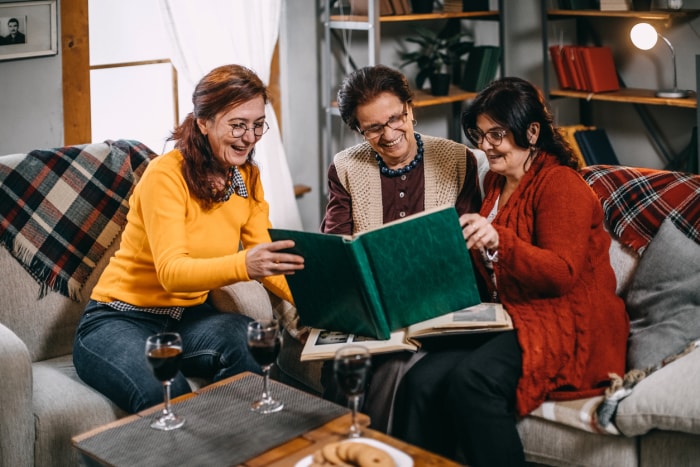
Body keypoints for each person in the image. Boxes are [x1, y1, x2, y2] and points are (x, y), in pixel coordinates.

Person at [390, 77, 630, 466]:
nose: (485, 145)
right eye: (480, 134)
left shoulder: (560, 185)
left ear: (531, 132)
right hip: (511, 313)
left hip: (570, 316)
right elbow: (489, 267)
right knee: (420, 380)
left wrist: (499, 241)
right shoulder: (494, 181)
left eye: (496, 134)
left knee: (473, 381)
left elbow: (562, 274)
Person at [73, 64, 304, 414]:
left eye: (258, 124)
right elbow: (172, 271)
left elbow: (268, 260)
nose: (250, 137)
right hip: (118, 320)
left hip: (188, 319)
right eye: (238, 125)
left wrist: (315, 307)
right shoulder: (165, 176)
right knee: (169, 394)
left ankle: (239, 447)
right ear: (203, 122)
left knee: (250, 341)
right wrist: (244, 264)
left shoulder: (248, 176)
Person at [319, 64, 482, 431]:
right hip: (370, 313)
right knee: (350, 365)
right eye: (374, 127)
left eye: (396, 118)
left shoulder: (457, 160)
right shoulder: (345, 167)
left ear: (410, 109)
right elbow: (336, 251)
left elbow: (466, 250)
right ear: (359, 129)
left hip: (438, 307)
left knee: (394, 368)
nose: (390, 133)